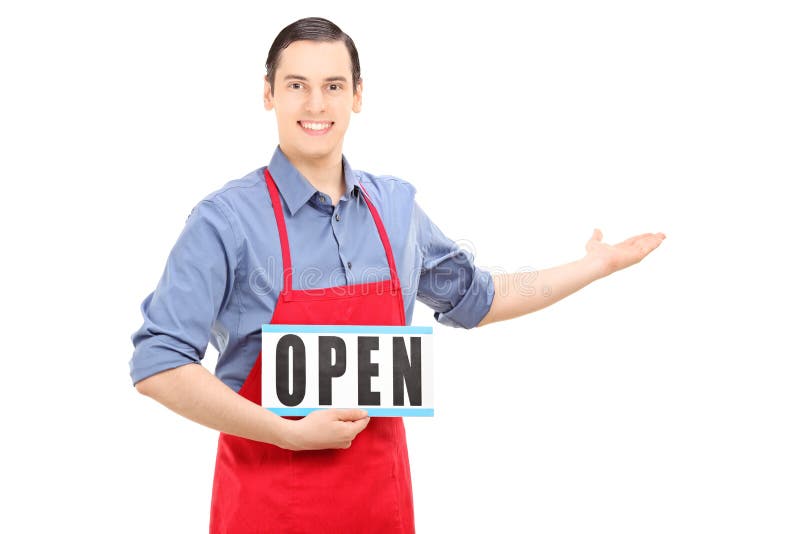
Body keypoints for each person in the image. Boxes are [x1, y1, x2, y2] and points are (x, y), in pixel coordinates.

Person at [130, 16, 665, 534]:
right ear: (268, 93)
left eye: (333, 85)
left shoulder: (396, 209)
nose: (316, 104)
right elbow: (159, 364)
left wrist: (596, 266)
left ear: (357, 95)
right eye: (297, 85)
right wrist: (287, 435)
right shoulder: (224, 221)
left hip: (380, 507)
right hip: (270, 510)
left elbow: (479, 297)